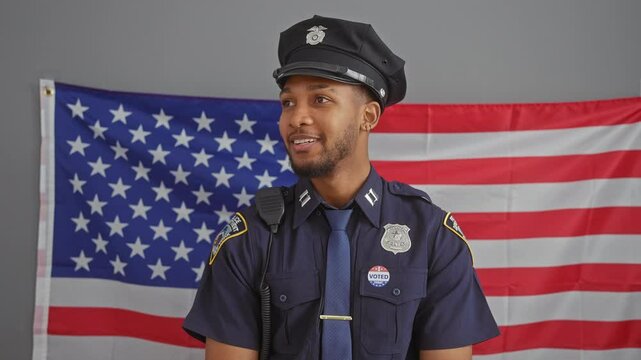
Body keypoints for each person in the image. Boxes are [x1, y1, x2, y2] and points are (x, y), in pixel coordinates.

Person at [183, 15, 499, 360]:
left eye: (320, 99)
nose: (297, 117)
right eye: (288, 102)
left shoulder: (432, 236)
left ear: (369, 116)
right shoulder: (250, 236)